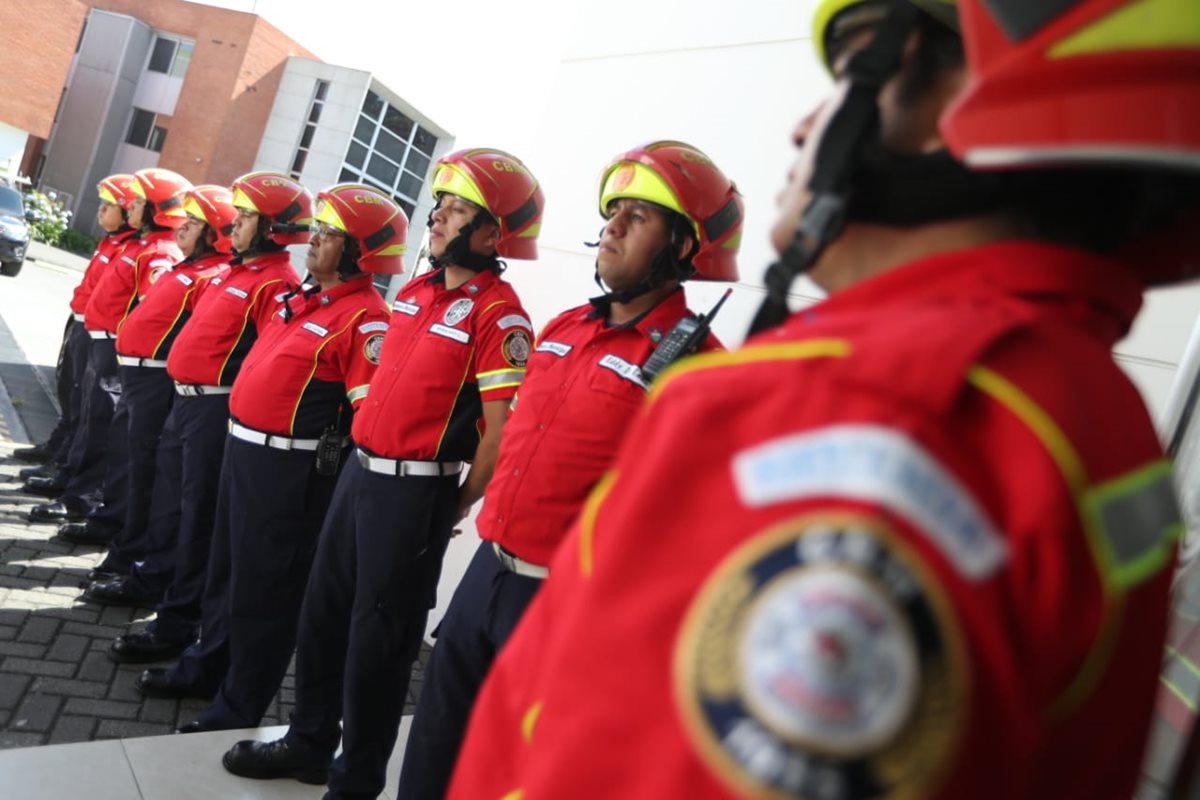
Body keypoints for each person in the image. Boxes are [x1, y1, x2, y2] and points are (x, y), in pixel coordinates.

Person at [448, 1, 1199, 798]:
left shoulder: (880, 409)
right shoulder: (1081, 415)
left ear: (967, 113)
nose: (805, 127)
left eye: (851, 82)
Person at [396, 140, 742, 800]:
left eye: (637, 217)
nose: (610, 227)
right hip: (485, 576)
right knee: (433, 751)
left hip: (562, 607)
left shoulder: (699, 371)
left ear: (683, 247)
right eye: (614, 213)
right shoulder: (562, 327)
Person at [221, 147, 542, 798]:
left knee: (379, 641)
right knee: (322, 612)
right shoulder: (418, 292)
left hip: (415, 492)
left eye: (456, 212)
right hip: (359, 477)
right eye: (441, 208)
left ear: (492, 232)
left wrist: (455, 504)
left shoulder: (499, 314)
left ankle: (355, 777)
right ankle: (309, 742)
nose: (439, 221)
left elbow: (502, 430)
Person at [149, 184, 400, 732]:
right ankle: (204, 668)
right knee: (225, 574)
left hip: (290, 471)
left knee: (265, 594)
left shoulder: (366, 320)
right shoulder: (306, 298)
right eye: (317, 231)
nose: (314, 241)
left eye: (331, 236)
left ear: (362, 252)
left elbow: (365, 417)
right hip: (243, 451)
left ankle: (237, 707)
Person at [84, 172, 308, 662]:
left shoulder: (278, 282)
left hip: (213, 409)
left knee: (196, 514)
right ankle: (155, 580)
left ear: (272, 228)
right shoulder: (235, 271)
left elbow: (264, 357)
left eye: (246, 219)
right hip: (184, 403)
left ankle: (179, 618)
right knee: (169, 502)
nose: (235, 227)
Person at [59, 186, 235, 564]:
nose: (182, 229)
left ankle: (128, 546)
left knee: (139, 465)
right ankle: (118, 533)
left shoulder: (208, 274)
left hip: (157, 381)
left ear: (212, 234)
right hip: (136, 372)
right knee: (125, 455)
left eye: (193, 224)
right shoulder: (189, 267)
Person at [26, 168, 191, 522]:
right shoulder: (141, 246)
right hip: (100, 341)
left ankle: (81, 499)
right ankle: (72, 484)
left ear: (155, 209)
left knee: (100, 424)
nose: (129, 207)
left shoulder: (159, 254)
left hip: (116, 349)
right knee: (88, 418)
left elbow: (150, 310)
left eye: (137, 203)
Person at [9, 175, 140, 474]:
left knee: (86, 401)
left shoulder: (131, 249)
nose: (101, 209)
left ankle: (66, 462)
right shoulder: (112, 243)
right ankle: (59, 447)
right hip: (83, 324)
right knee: (70, 390)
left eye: (110, 205)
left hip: (101, 334)